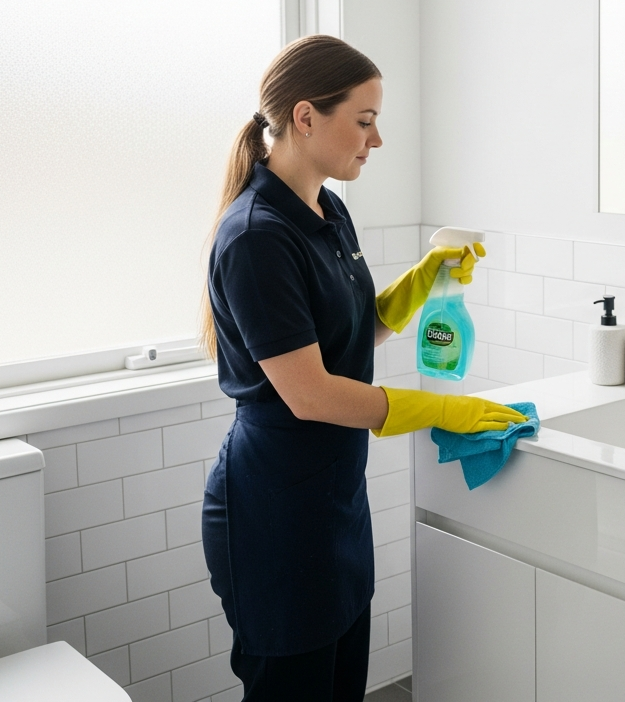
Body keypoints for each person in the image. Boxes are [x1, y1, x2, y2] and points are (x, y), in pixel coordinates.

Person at [199, 35, 525, 702]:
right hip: (275, 508)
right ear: (306, 117)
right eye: (365, 120)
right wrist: (438, 409)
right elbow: (311, 394)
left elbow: (353, 327)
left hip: (334, 500)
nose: (375, 141)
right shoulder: (258, 236)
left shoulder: (325, 207)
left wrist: (423, 279)